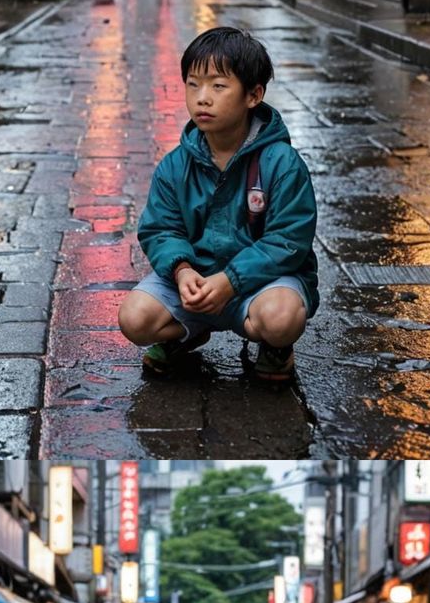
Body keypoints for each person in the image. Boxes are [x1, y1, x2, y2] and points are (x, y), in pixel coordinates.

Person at [118, 27, 318, 385]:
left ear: (253, 95)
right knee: (134, 319)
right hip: (194, 285)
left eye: (218, 86)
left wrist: (231, 280)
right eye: (192, 85)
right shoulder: (175, 165)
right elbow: (161, 229)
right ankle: (185, 333)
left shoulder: (282, 163)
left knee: (281, 318)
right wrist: (181, 271)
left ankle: (275, 347)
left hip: (260, 286)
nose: (202, 98)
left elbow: (288, 240)